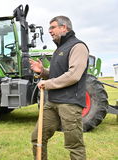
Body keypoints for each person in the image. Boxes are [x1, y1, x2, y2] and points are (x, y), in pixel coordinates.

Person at [30, 16, 88, 160]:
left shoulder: (78, 46)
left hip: (69, 103)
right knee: (37, 138)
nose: (50, 31)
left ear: (64, 27)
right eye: (49, 28)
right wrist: (43, 72)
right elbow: (57, 74)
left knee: (74, 145)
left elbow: (73, 75)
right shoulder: (59, 49)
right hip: (52, 102)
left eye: (53, 27)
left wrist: (47, 84)